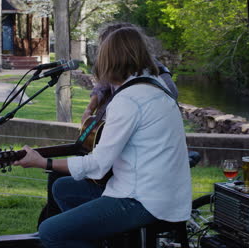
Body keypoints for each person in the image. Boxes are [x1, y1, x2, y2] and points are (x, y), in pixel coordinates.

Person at [16, 27, 191, 248]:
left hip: (143, 200)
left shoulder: (129, 99)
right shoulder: (154, 85)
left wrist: (41, 162)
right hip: (160, 192)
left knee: (50, 231)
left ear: (109, 61)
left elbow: (97, 165)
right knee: (64, 188)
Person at [37, 22, 180, 228]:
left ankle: (69, 240)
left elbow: (99, 164)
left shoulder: (145, 88)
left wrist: (43, 162)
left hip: (142, 188)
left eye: (104, 49)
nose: (101, 58)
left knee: (51, 227)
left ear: (116, 53)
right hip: (131, 172)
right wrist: (90, 110)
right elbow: (103, 86)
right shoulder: (130, 83)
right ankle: (84, 238)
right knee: (61, 184)